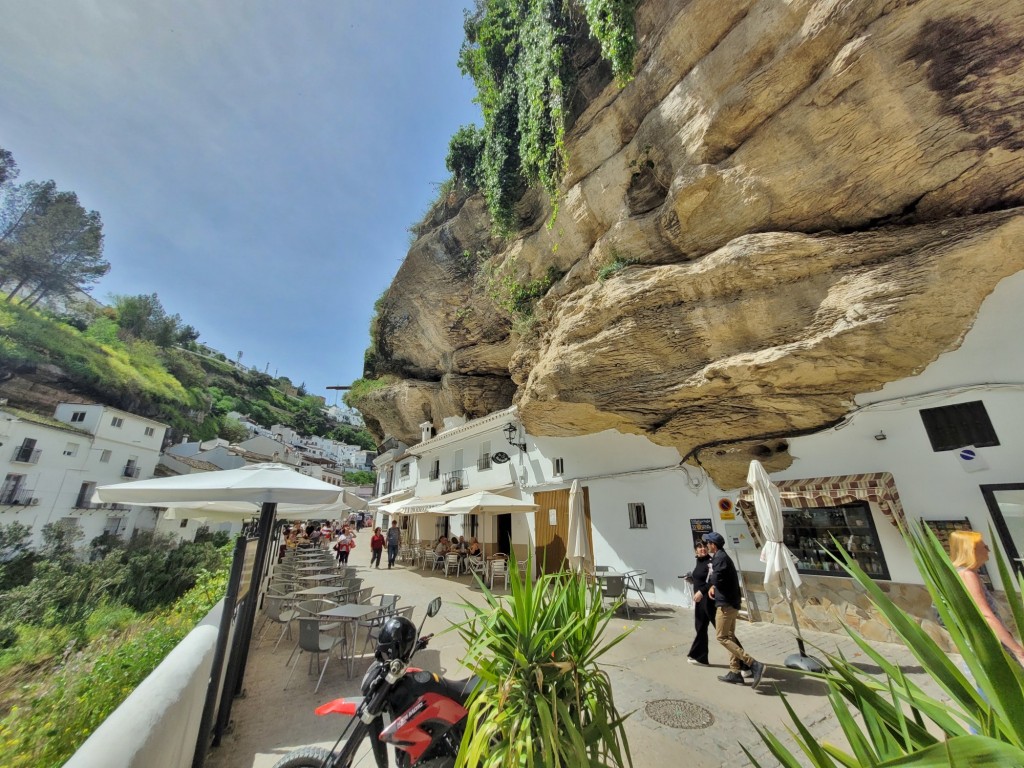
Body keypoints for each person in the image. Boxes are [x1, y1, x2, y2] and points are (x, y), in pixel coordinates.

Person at [949, 530, 1024, 665]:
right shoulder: (968, 575)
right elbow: (986, 615)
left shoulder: (963, 573)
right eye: (985, 547)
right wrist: (1017, 649)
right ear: (972, 551)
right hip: (989, 641)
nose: (988, 551)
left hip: (984, 639)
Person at [704, 531, 766, 687]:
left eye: (708, 543)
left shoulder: (719, 559)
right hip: (731, 602)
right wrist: (713, 585)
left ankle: (753, 663)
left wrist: (710, 580)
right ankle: (735, 672)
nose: (706, 546)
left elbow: (716, 578)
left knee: (721, 637)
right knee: (729, 636)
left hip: (726, 605)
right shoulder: (721, 557)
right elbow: (720, 580)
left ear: (713, 545)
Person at [685, 540, 716, 666]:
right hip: (700, 601)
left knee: (722, 633)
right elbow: (702, 578)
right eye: (699, 547)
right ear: (695, 550)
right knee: (700, 627)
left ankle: (745, 664)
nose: (702, 549)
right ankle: (700, 657)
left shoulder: (710, 562)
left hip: (709, 601)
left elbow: (713, 580)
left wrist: (701, 591)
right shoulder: (699, 561)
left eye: (704, 546)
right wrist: (691, 579)